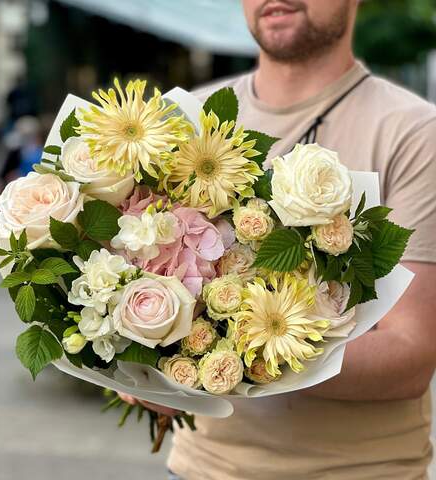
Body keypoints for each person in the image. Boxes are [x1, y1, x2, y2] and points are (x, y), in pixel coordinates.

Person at [120, 1, 436, 478]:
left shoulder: (414, 133)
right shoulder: (187, 120)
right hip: (201, 468)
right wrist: (139, 354)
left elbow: (410, 356)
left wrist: (235, 360)